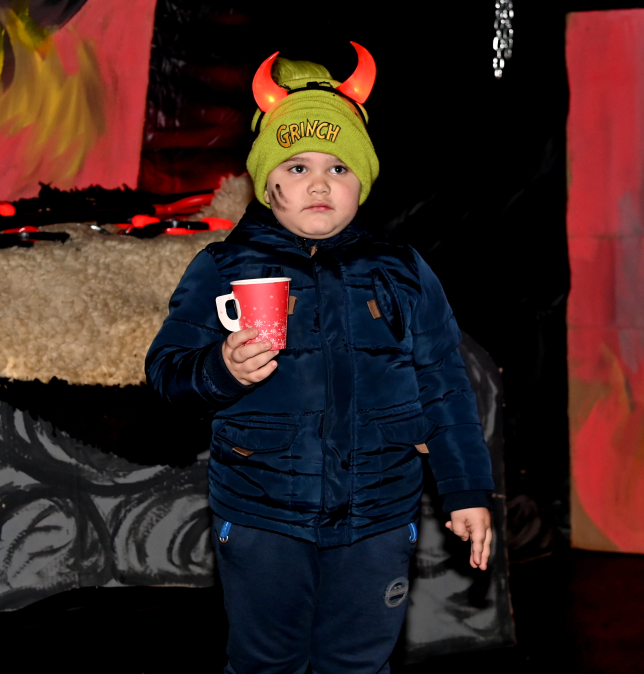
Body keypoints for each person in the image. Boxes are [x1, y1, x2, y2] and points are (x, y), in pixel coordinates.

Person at [145, 47, 495, 674]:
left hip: (378, 513)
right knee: (265, 662)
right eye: (297, 165)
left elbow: (445, 384)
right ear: (267, 182)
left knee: (359, 662)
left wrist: (466, 489)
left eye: (339, 167)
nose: (318, 182)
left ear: (363, 183)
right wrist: (221, 368)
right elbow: (166, 373)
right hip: (261, 512)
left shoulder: (403, 272)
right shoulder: (223, 267)